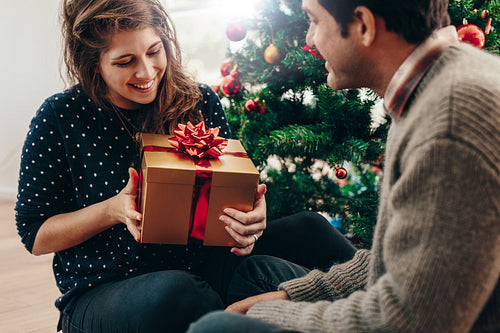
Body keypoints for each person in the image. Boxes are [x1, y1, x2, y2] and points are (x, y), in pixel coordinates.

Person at [15, 0, 357, 332]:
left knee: (311, 229)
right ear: (94, 65)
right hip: (106, 289)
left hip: (204, 264)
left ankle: (388, 308)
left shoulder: (198, 99)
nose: (146, 72)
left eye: (153, 51)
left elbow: (230, 183)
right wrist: (112, 211)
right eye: (124, 62)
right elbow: (35, 235)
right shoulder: (60, 117)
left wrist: (251, 216)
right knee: (183, 293)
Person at [186, 0, 500, 332]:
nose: (309, 40)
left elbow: (406, 322)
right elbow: (400, 261)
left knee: (215, 328)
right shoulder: (432, 86)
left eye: (314, 21)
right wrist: (290, 297)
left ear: (363, 25)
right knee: (257, 280)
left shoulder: (449, 122)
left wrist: (269, 316)